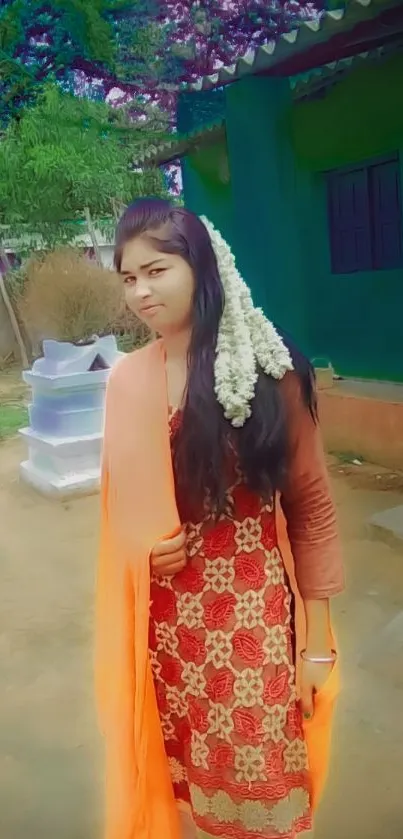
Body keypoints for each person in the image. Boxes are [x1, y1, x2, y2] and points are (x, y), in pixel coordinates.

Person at [95, 198, 344, 839]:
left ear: (200, 266)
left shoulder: (267, 369)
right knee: (187, 797)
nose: (141, 291)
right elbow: (117, 509)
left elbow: (311, 505)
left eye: (157, 269)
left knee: (264, 796)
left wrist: (316, 643)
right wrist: (141, 551)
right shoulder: (126, 381)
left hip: (252, 625)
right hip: (168, 632)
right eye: (128, 277)